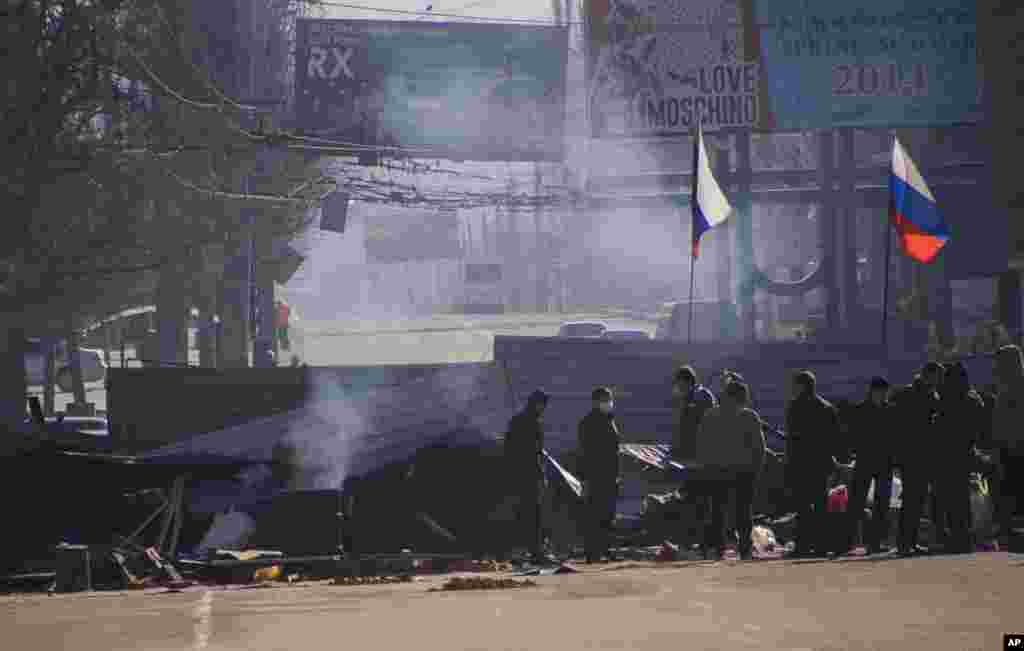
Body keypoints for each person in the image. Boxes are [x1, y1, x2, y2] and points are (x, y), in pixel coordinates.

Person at [694, 380, 766, 560]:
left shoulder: (710, 415)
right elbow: (759, 448)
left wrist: (706, 466)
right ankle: (744, 548)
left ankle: (718, 548)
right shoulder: (749, 416)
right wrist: (756, 470)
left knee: (718, 511)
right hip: (744, 472)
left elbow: (702, 444)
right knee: (743, 511)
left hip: (717, 471)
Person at [785, 369, 842, 557]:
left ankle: (802, 545)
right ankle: (821, 545)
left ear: (802, 385)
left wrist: (790, 463)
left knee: (802, 507)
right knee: (820, 506)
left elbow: (792, 439)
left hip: (801, 464)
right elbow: (834, 438)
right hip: (820, 464)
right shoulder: (826, 407)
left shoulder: (794, 407)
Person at [891, 362, 943, 556]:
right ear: (928, 375)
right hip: (914, 455)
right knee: (912, 499)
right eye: (936, 376)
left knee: (916, 499)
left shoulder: (918, 393)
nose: (938, 381)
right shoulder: (916, 394)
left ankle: (909, 542)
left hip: (919, 455)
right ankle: (905, 543)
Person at [933, 362, 985, 553]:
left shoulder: (943, 397)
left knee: (948, 499)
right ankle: (964, 538)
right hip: (963, 454)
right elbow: (980, 427)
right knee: (962, 499)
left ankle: (953, 537)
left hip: (944, 455)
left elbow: (936, 425)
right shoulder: (972, 398)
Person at [842, 377, 897, 555]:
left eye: (884, 392)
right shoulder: (860, 411)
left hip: (884, 462)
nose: (883, 395)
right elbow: (852, 436)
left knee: (882, 504)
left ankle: (875, 542)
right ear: (872, 391)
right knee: (856, 503)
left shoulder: (890, 410)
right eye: (880, 392)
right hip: (865, 461)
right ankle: (846, 542)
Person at [577, 387, 623, 563]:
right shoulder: (588, 423)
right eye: (606, 399)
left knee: (608, 515)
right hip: (596, 476)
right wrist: (585, 478)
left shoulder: (609, 420)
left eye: (610, 399)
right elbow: (584, 453)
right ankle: (593, 551)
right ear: (596, 402)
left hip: (610, 476)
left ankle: (605, 548)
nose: (609, 403)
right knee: (595, 514)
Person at [505, 389, 550, 563]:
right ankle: (534, 552)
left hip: (520, 475)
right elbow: (534, 452)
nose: (543, 408)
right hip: (527, 475)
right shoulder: (531, 422)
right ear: (537, 404)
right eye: (542, 405)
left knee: (524, 514)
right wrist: (541, 474)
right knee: (531, 515)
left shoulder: (519, 420)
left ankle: (525, 551)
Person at [992, 344, 1024, 544]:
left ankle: (1009, 527)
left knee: (1012, 486)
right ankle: (1008, 527)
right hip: (1008, 446)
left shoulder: (1013, 385)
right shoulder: (1004, 385)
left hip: (1015, 445)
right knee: (1008, 487)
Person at [671, 366, 717, 461]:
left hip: (698, 450)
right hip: (702, 448)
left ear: (684, 381)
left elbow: (689, 428)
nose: (677, 387)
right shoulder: (698, 394)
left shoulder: (696, 397)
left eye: (678, 384)